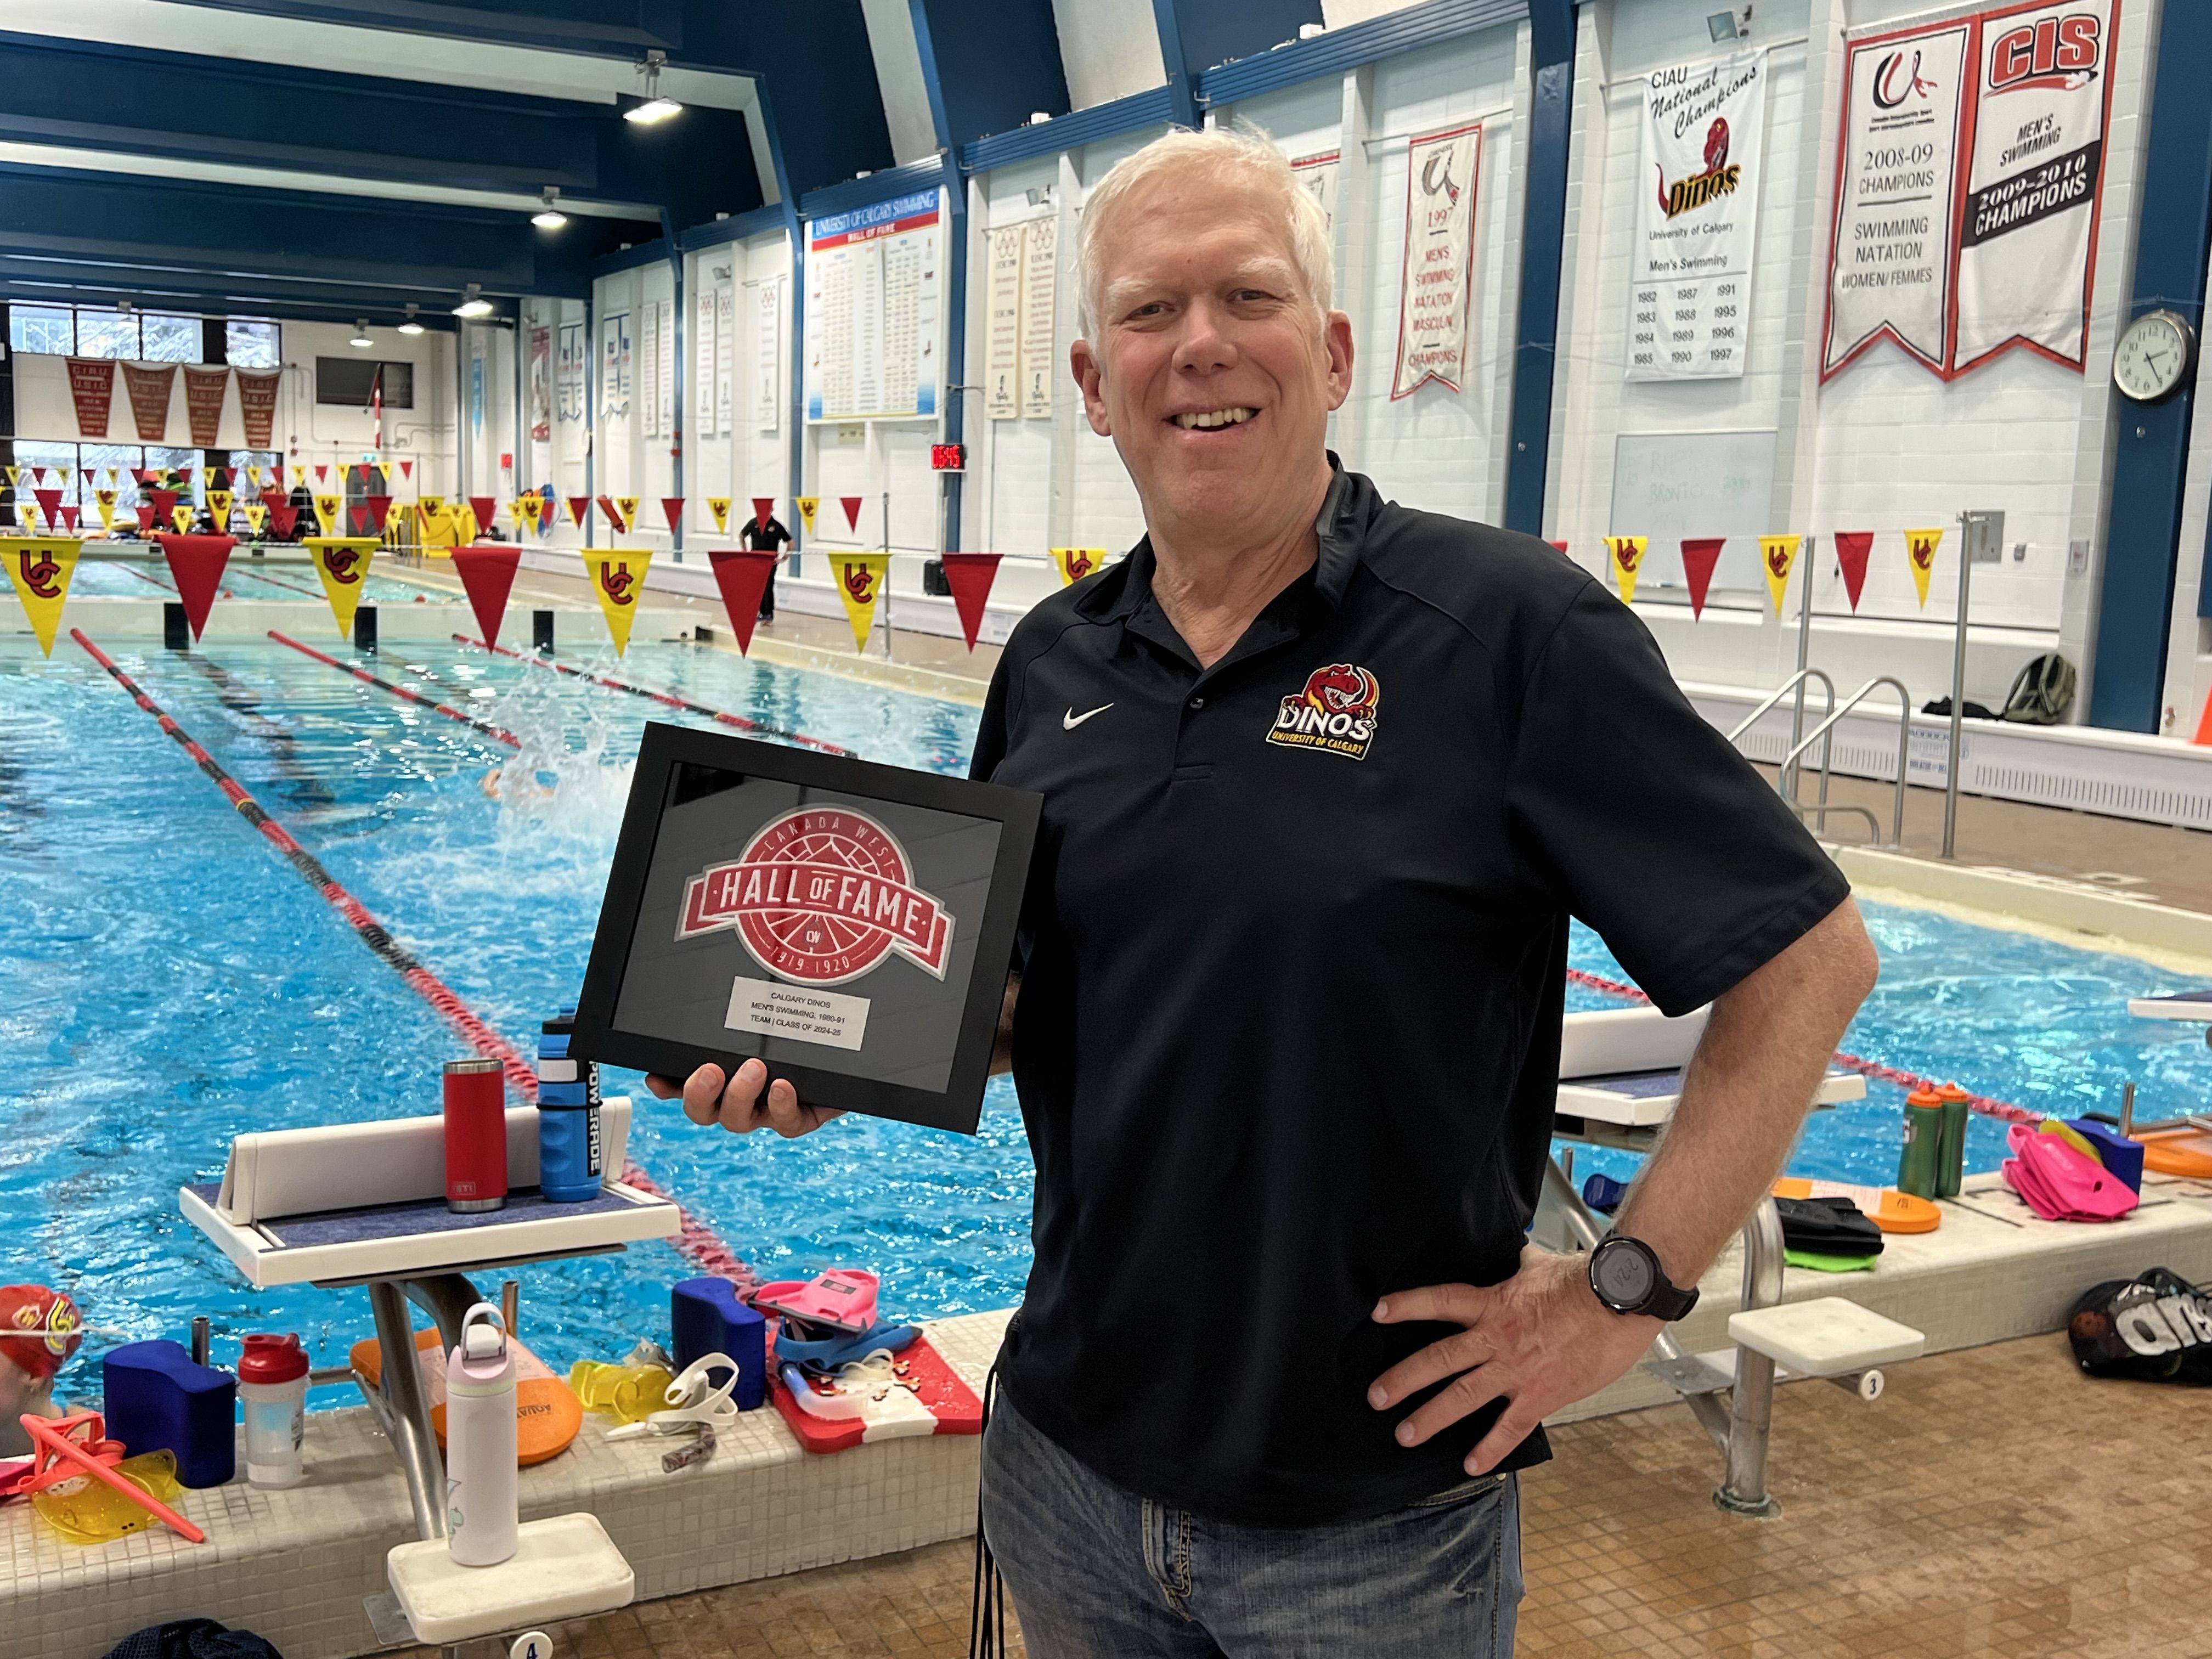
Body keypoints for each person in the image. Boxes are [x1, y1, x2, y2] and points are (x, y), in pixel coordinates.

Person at [648, 126, 1877, 1655]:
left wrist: (1625, 1291)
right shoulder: (1050, 663)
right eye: (1151, 313)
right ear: (1095, 385)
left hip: (1372, 1523)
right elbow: (1032, 1001)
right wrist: (842, 1051)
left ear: (1335, 348)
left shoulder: (1506, 632)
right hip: (1068, 1464)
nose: (1202, 347)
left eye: (1249, 296)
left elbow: (1812, 958)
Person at [738, 509, 792, 622]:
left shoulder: (776, 526)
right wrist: (745, 551)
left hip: (770, 561)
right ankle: (761, 611)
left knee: (768, 586)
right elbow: (742, 535)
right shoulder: (753, 523)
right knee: (757, 586)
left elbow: (790, 542)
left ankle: (768, 613)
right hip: (756, 560)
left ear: (771, 510)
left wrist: (784, 558)